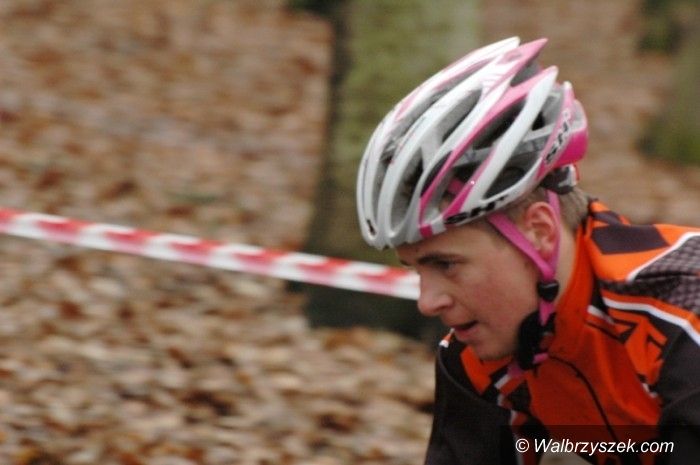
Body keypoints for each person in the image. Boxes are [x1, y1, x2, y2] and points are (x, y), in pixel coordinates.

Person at [355, 37, 700, 465]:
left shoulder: (683, 311)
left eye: (446, 263)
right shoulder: (478, 360)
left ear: (538, 231)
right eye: (414, 269)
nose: (427, 302)